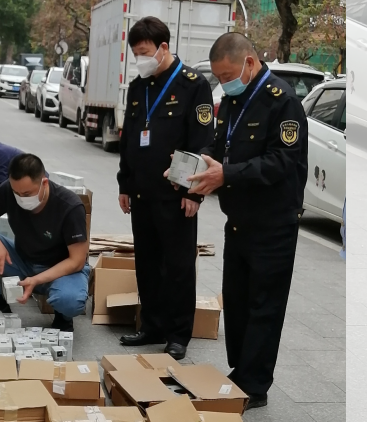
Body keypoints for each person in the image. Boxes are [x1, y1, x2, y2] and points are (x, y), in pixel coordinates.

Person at [181, 32, 308, 410]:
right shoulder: (235, 101)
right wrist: (196, 163)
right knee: (236, 302)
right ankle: (241, 370)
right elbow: (220, 144)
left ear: (249, 63)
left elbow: (281, 161)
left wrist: (227, 174)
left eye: (227, 75)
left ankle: (255, 385)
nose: (224, 84)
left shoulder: (283, 101)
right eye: (219, 78)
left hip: (273, 224)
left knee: (263, 307)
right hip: (238, 221)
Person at [116, 16, 214, 360]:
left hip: (176, 196)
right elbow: (129, 139)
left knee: (178, 266)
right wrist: (125, 183)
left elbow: (202, 142)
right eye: (136, 54)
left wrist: (194, 193)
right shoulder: (138, 86)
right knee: (147, 263)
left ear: (163, 48)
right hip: (142, 193)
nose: (140, 59)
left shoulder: (193, 85)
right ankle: (152, 326)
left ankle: (177, 334)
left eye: (145, 52)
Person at [0, 153, 89, 332]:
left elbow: (77, 261)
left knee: (69, 301)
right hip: (23, 261)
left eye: (27, 194)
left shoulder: (69, 206)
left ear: (44, 183)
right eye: (16, 193)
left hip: (61, 270)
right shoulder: (9, 189)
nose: (21, 198)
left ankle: (63, 316)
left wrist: (36, 280)